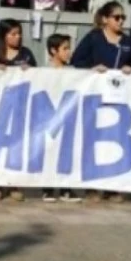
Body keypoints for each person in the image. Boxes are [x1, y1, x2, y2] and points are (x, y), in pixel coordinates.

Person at [70, 1, 131, 203]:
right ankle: (92, 186)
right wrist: (92, 68)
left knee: (115, 140)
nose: (121, 21)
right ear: (105, 19)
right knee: (94, 140)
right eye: (117, 17)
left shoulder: (129, 41)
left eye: (123, 18)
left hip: (119, 97)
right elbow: (76, 60)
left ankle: (113, 186)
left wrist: (130, 68)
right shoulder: (94, 38)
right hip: (95, 95)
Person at [0, 19, 36, 202]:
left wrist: (30, 71)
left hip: (20, 106)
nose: (17, 37)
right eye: (12, 34)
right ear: (3, 36)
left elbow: (39, 76)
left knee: (16, 145)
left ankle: (14, 184)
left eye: (19, 33)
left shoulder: (26, 54)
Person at [41, 34, 82, 203]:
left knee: (67, 151)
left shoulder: (72, 71)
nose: (69, 52)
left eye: (69, 48)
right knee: (50, 151)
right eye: (65, 48)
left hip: (67, 117)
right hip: (48, 117)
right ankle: (48, 188)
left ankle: (66, 188)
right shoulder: (43, 71)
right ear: (53, 51)